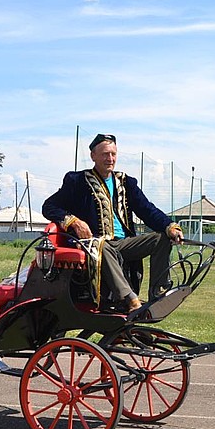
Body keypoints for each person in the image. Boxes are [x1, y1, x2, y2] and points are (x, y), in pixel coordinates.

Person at [42, 133, 184, 313]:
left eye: (113, 154)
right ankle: (130, 300)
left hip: (123, 243)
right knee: (102, 245)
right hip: (93, 245)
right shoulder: (76, 181)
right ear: (93, 156)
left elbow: (147, 210)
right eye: (105, 154)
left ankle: (157, 294)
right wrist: (73, 221)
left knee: (161, 238)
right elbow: (49, 206)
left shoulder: (126, 183)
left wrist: (169, 226)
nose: (110, 159)